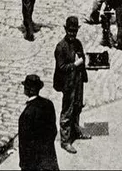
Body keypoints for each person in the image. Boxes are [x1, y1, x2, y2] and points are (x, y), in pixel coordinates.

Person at [53, 16, 89, 153]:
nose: (72, 34)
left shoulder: (78, 43)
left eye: (74, 31)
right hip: (68, 84)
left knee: (77, 106)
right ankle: (65, 140)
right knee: (67, 111)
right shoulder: (61, 47)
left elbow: (82, 57)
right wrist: (74, 65)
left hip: (78, 81)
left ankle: (75, 131)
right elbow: (61, 67)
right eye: (70, 31)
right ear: (65, 29)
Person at [18, 74, 59, 171]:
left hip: (33, 163)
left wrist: (23, 165)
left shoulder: (26, 115)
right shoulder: (48, 104)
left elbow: (24, 145)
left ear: (28, 90)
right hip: (48, 158)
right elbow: (53, 131)